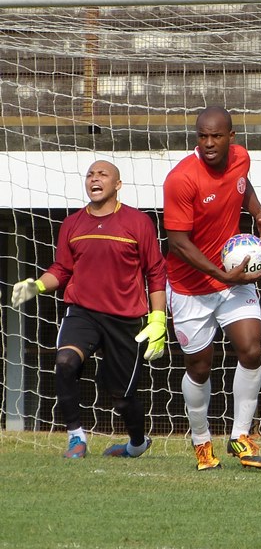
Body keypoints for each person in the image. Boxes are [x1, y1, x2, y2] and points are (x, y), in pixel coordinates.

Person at [10, 160, 167, 459]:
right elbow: (62, 268)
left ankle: (136, 444)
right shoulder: (73, 224)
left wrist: (158, 319)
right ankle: (76, 438)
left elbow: (156, 273)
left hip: (125, 319)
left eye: (103, 174)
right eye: (90, 174)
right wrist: (37, 285)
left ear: (117, 185)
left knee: (122, 398)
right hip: (82, 312)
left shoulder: (138, 222)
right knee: (66, 362)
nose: (95, 179)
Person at [162, 106, 261, 471]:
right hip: (190, 285)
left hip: (231, 280)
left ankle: (241, 436)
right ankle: (201, 442)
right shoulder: (181, 179)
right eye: (202, 136)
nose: (208, 143)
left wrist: (259, 214)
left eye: (216, 136)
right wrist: (220, 275)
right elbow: (178, 241)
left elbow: (243, 186)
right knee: (199, 367)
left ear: (231, 138)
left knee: (252, 350)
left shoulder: (241, 159)